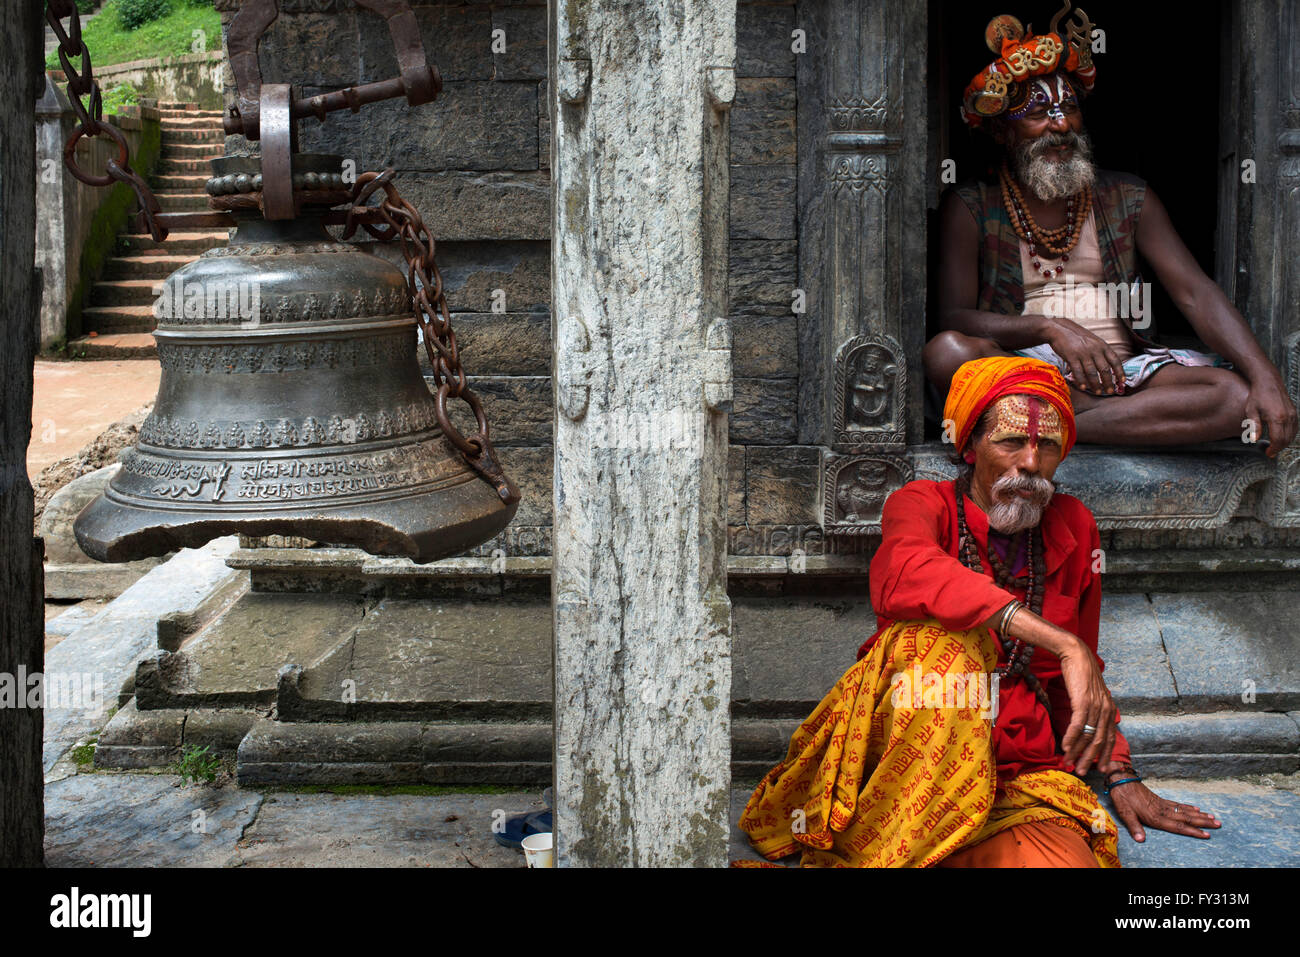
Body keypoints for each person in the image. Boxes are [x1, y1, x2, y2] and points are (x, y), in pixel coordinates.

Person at [738, 356, 1220, 866]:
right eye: (1011, 442)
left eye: (1048, 446)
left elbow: (1073, 683)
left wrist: (1120, 774)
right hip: (908, 761)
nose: (1031, 463)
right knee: (944, 647)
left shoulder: (1073, 524)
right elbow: (908, 569)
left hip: (1015, 769)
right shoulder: (920, 503)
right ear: (968, 447)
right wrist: (1060, 640)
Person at [924, 5, 1297, 456]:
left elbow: (1195, 293)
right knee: (948, 353)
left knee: (1238, 398)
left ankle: (1054, 423)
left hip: (1129, 374)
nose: (1060, 125)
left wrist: (1265, 377)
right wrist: (1050, 328)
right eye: (1038, 113)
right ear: (1003, 132)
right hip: (1025, 369)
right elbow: (954, 318)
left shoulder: (1129, 196)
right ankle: (1089, 413)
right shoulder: (970, 206)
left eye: (1069, 109)